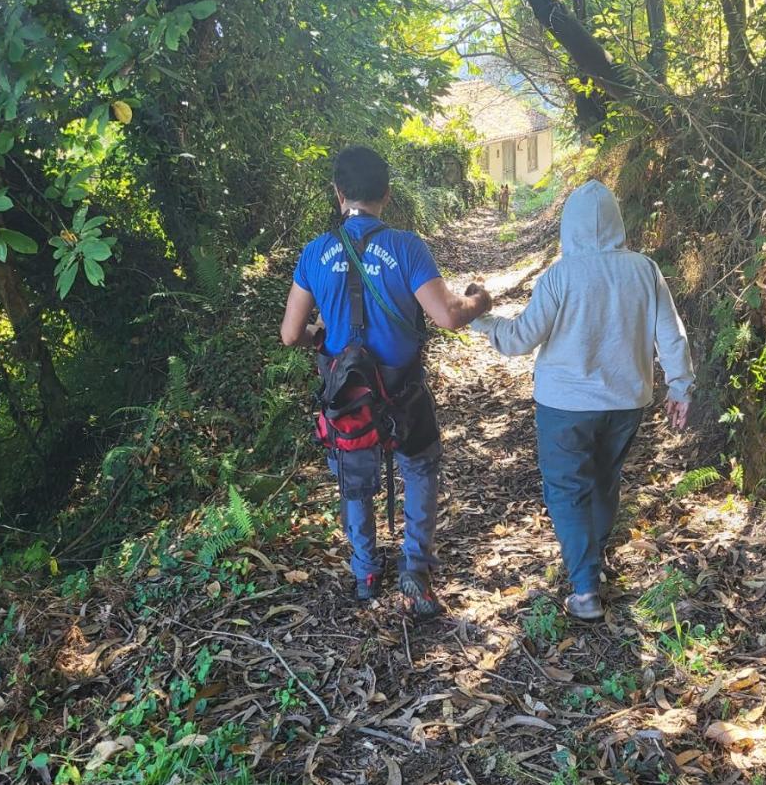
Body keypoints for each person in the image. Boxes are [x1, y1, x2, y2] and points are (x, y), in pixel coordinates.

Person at [281, 146, 492, 618]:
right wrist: (480, 299)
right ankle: (415, 572)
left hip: (347, 398)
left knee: (355, 481)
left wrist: (323, 335)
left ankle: (365, 573)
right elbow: (448, 316)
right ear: (387, 195)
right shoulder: (405, 247)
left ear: (338, 194)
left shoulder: (315, 253)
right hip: (404, 392)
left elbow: (291, 333)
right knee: (419, 468)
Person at [471, 180, 694, 622]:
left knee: (566, 490)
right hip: (627, 399)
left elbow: (519, 339)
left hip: (564, 406)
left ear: (568, 227)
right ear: (616, 222)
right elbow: (671, 334)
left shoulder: (559, 276)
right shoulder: (644, 270)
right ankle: (594, 557)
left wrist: (479, 321)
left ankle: (586, 587)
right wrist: (680, 386)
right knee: (605, 479)